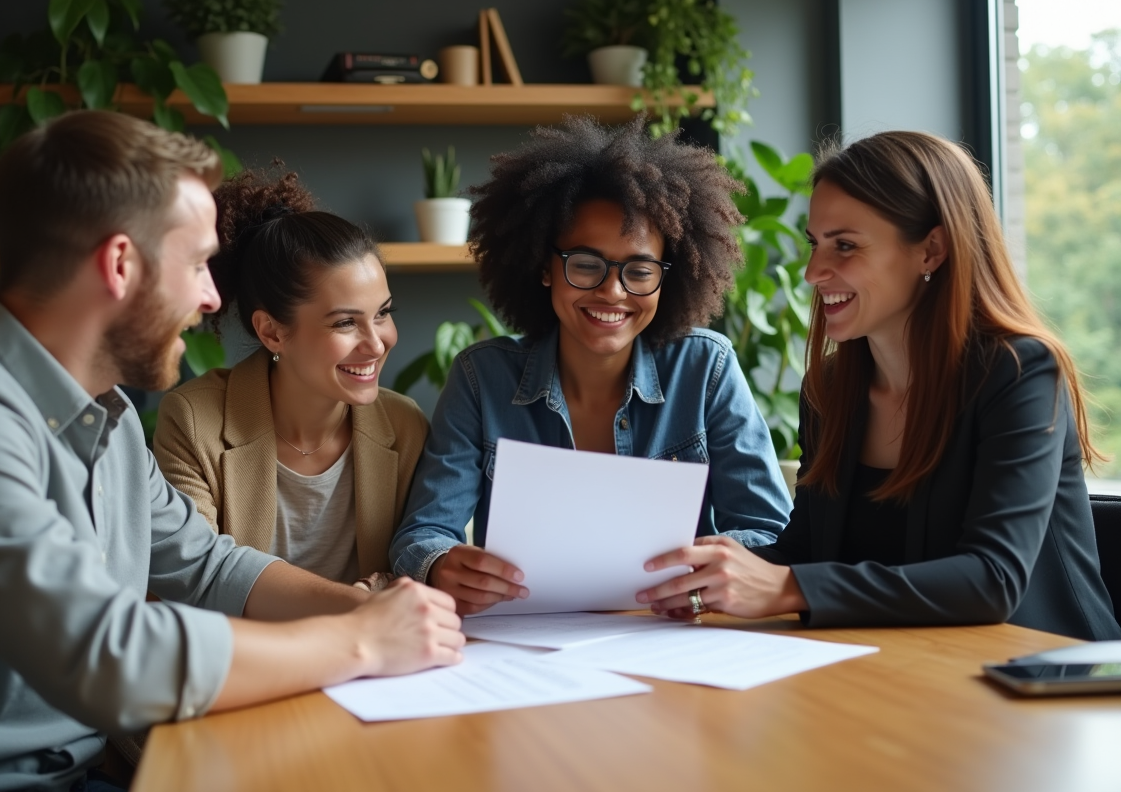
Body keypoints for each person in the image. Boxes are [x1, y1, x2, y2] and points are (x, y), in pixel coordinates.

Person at [0, 111, 464, 792]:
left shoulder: (109, 417)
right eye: (197, 263)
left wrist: (366, 610)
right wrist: (362, 642)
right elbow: (109, 653)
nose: (212, 298)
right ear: (121, 264)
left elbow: (209, 567)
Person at [638, 130, 1121, 642]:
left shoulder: (1019, 373)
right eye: (815, 244)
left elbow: (993, 580)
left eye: (845, 246)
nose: (813, 272)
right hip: (913, 667)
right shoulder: (830, 390)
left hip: (1049, 673)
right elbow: (805, 553)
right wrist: (695, 568)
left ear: (931, 250)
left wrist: (788, 587)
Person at [388, 117, 792, 615]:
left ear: (667, 278)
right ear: (545, 267)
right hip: (527, 639)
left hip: (676, 637)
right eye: (585, 265)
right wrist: (439, 564)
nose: (612, 292)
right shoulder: (481, 378)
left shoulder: (706, 368)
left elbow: (769, 532)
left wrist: (702, 573)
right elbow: (423, 534)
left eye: (639, 270)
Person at [154, 168, 426, 590]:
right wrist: (358, 606)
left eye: (382, 313)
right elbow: (194, 582)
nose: (377, 343)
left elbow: (419, 562)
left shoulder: (405, 426)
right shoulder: (194, 421)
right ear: (272, 332)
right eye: (345, 323)